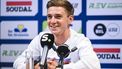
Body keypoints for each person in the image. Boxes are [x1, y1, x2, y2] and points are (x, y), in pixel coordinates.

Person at [13, 0, 101, 69]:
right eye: (49, 17)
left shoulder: (80, 40)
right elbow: (18, 62)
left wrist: (59, 67)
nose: (52, 21)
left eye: (58, 17)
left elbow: (93, 66)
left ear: (70, 19)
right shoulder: (42, 38)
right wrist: (32, 67)